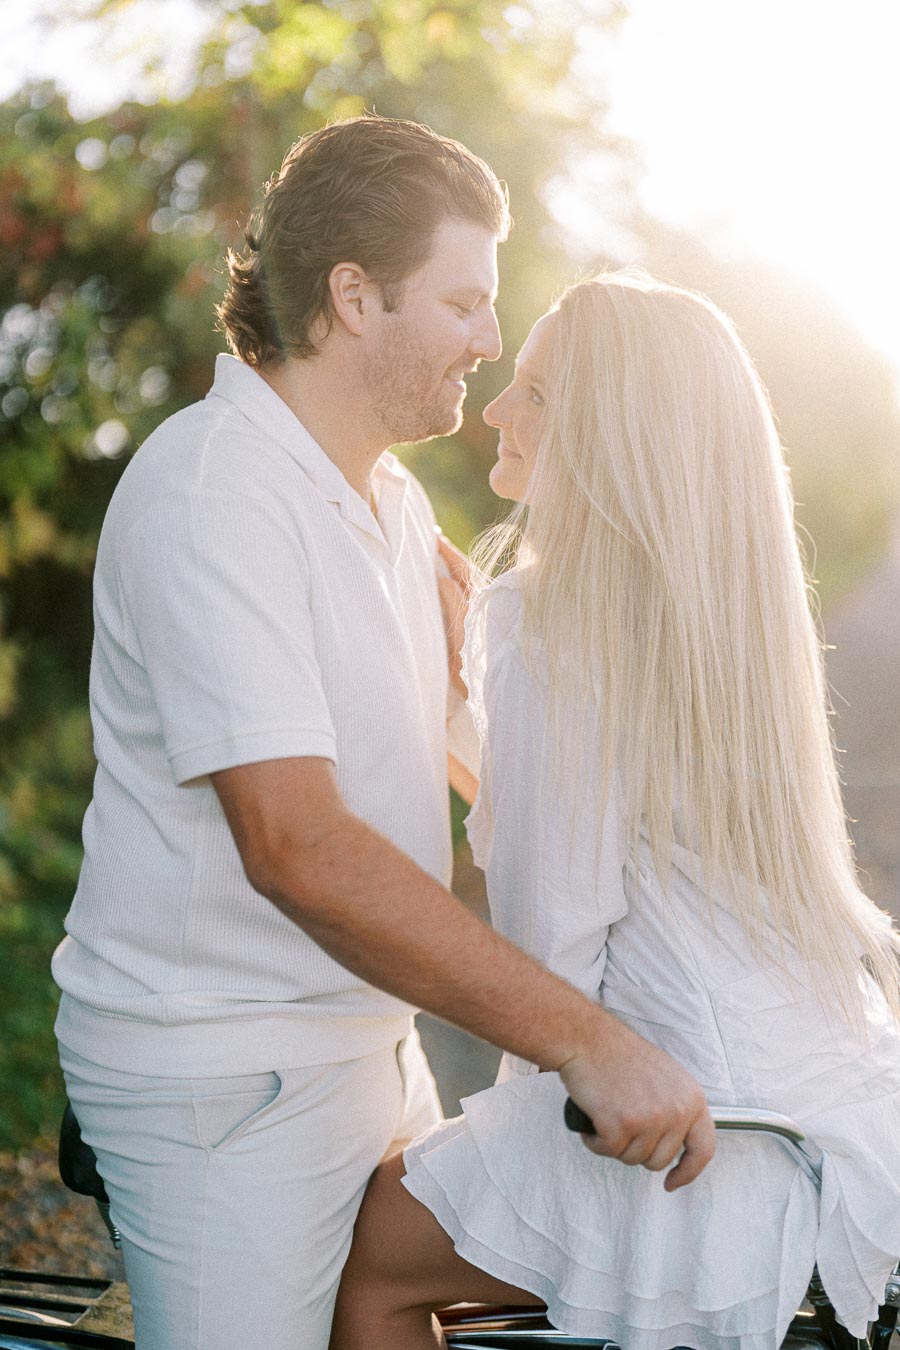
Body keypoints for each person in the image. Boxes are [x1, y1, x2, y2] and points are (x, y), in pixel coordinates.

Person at [51, 122, 715, 1350]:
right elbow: (296, 844)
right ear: (354, 297)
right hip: (227, 1079)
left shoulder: (394, 504)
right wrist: (586, 1040)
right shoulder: (215, 495)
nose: (489, 340)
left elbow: (461, 780)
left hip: (365, 1042)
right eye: (465, 300)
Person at [330, 272, 900, 1350]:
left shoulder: (541, 618)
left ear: (611, 430)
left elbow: (549, 951)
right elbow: (618, 833)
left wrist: (485, 673)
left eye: (536, 391)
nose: (499, 407)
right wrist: (475, 711)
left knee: (370, 1268)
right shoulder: (720, 624)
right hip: (829, 1127)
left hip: (687, 1145)